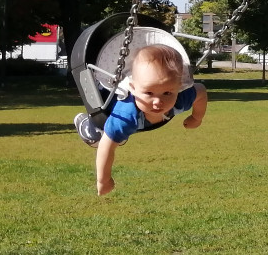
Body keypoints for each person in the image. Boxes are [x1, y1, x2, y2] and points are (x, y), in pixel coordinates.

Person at [73, 43, 208, 196]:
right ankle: (86, 126)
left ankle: (120, 133)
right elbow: (107, 147)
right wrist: (103, 180)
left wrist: (197, 118)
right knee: (100, 135)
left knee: (120, 135)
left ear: (179, 87)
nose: (158, 101)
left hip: (138, 121)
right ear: (134, 88)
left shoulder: (181, 99)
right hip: (108, 105)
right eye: (149, 93)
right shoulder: (126, 115)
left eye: (167, 93)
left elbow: (201, 91)